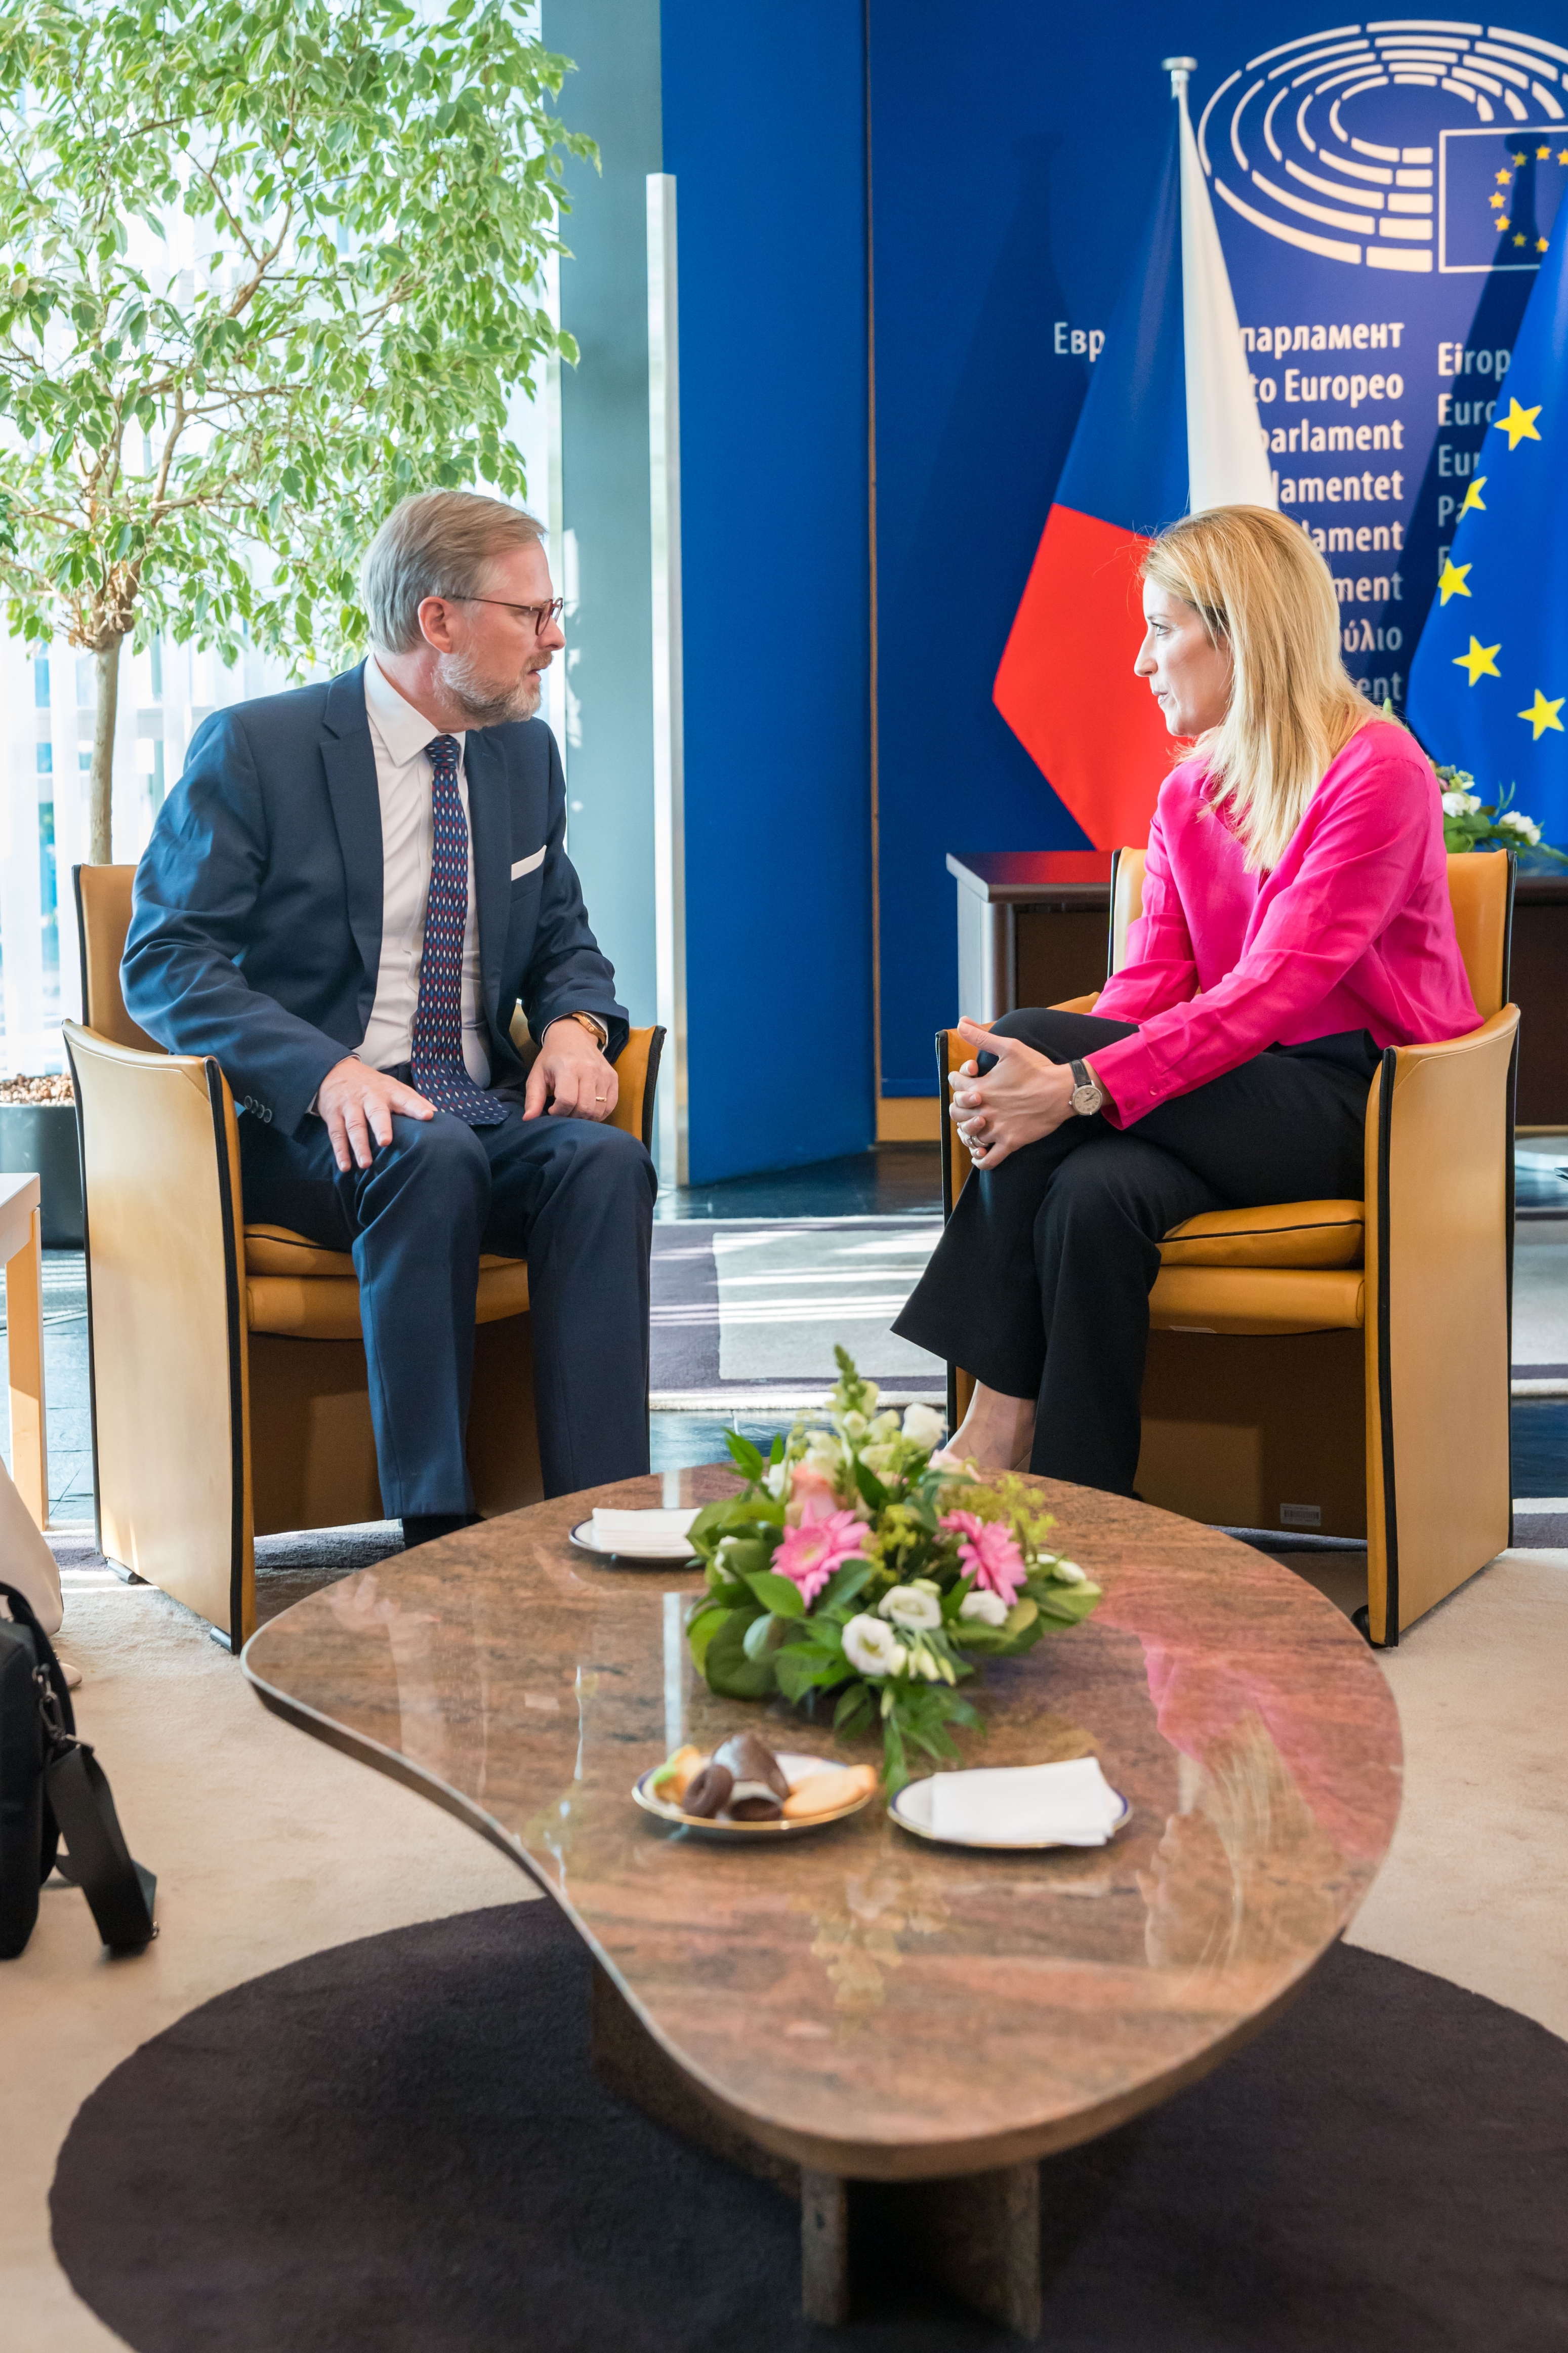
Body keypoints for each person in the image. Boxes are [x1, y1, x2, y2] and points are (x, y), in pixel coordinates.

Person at [895, 503, 1479, 1494]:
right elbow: (1144, 990)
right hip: (1234, 1095)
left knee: (1033, 1042)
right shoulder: (1188, 794)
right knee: (1090, 1192)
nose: (1140, 660)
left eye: (1161, 628)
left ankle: (993, 1430)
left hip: (1367, 1103)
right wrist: (1046, 1076)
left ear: (1238, 633)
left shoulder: (1378, 772)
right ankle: (1080, 1513)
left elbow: (1269, 992)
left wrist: (1072, 1082)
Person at [122, 489, 655, 1546]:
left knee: (604, 1164)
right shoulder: (259, 749)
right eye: (533, 614)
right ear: (439, 621)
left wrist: (573, 1027)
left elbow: (564, 943)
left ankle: (605, 1517)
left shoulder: (522, 755)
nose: (554, 640)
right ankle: (437, 1533)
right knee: (430, 1155)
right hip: (315, 1134)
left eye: (557, 613)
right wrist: (325, 1073)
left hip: (474, 1110)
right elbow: (166, 957)